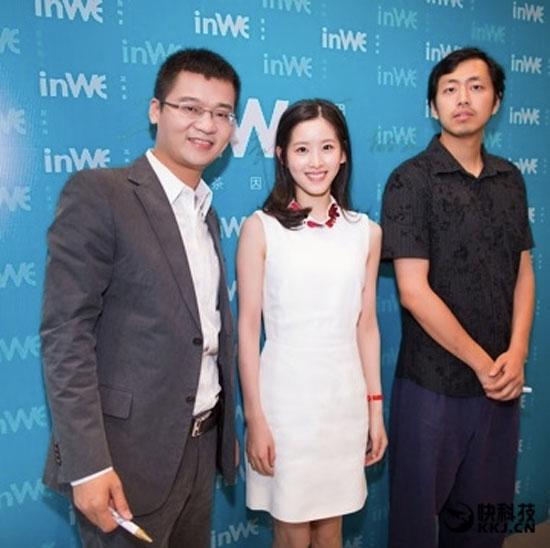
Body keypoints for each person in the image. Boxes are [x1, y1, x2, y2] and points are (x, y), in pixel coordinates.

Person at [40, 48, 240, 548]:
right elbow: (66, 334)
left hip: (200, 450)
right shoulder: (100, 194)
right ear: (156, 110)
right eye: (190, 107)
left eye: (221, 114)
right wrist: (87, 465)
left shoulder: (206, 212)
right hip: (124, 460)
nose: (206, 125)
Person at [381, 47, 535, 548]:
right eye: (449, 89)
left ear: (496, 102)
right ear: (433, 106)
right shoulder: (410, 180)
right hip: (433, 386)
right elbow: (413, 291)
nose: (462, 98)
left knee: (484, 526)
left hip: (500, 385)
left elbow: (523, 270)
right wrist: (484, 365)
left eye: (475, 86)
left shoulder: (510, 178)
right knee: (415, 529)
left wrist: (517, 353)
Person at [237, 99, 387, 548]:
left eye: (327, 147)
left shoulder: (366, 232)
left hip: (343, 402)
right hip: (286, 405)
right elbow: (248, 329)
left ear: (343, 154)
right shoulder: (261, 228)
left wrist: (375, 411)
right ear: (282, 155)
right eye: (302, 149)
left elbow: (366, 327)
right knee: (292, 531)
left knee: (331, 530)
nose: (315, 161)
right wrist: (256, 418)